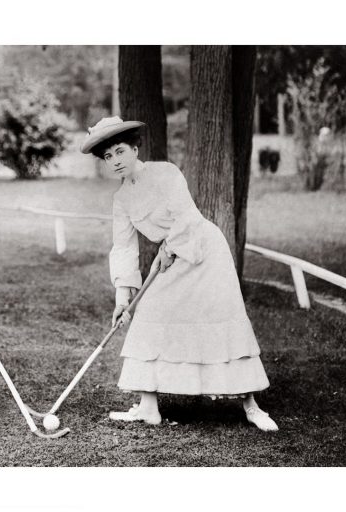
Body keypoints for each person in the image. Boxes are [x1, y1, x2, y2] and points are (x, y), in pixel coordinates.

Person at [80, 116, 278, 432]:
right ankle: (147, 406)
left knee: (221, 318)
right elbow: (124, 247)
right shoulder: (121, 200)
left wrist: (168, 248)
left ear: (133, 148)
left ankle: (251, 406)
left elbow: (185, 216)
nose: (115, 161)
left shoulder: (165, 173)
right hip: (172, 257)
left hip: (204, 251)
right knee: (149, 314)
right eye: (107, 157)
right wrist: (122, 297)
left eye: (119, 151)